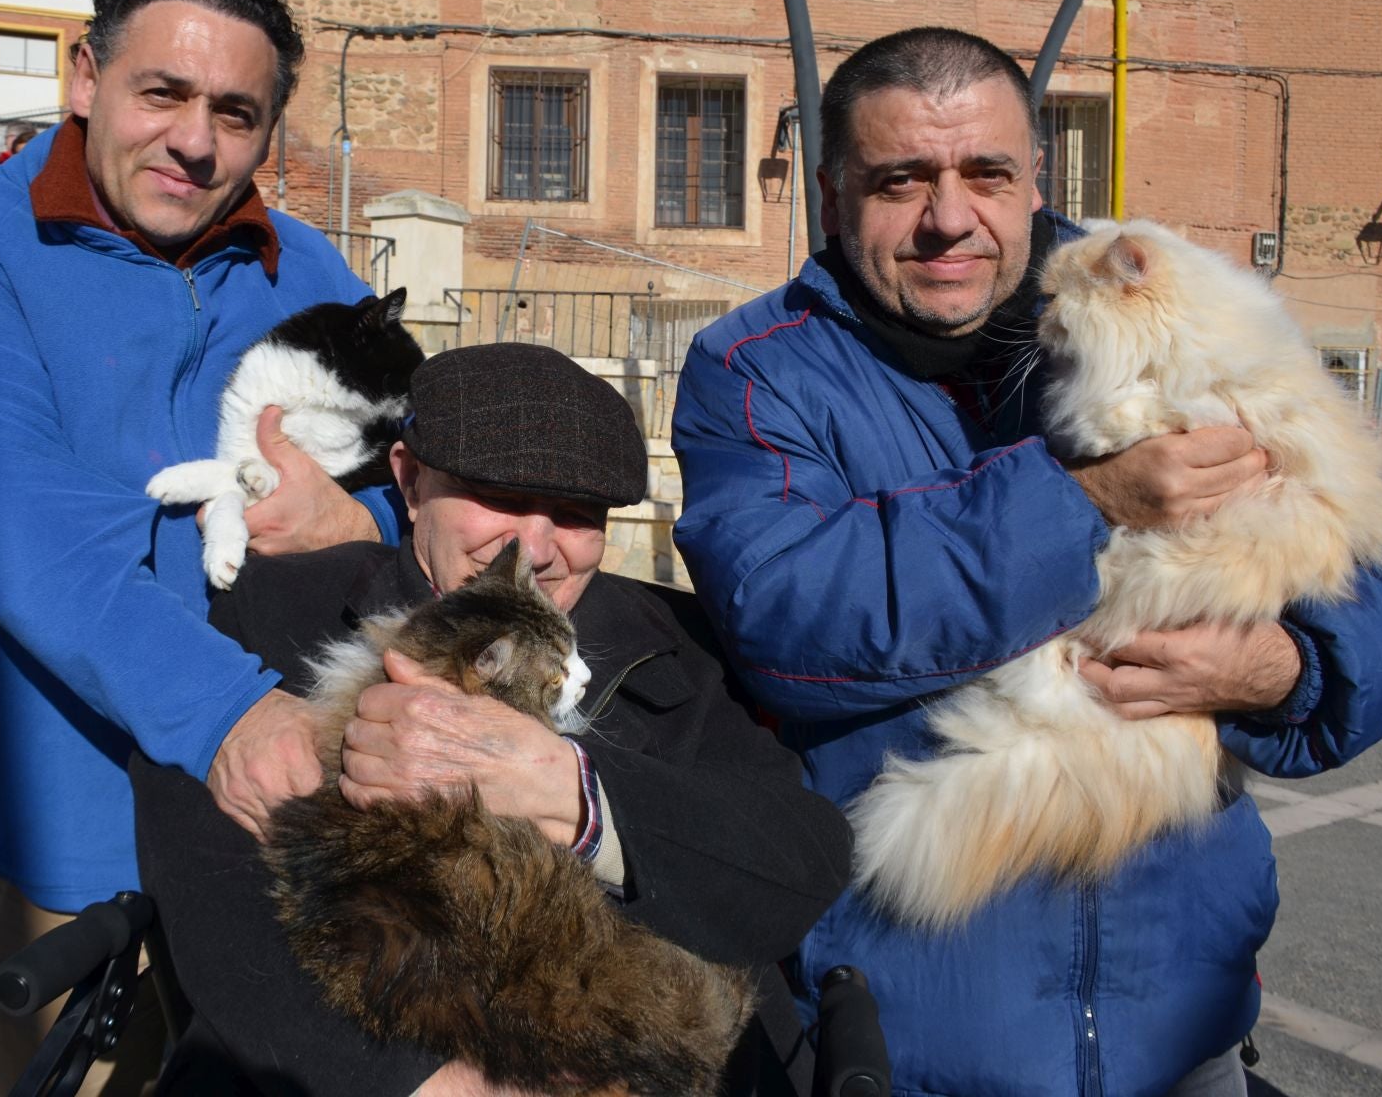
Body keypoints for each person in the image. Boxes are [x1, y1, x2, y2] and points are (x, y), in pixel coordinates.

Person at [670, 27, 1382, 1097]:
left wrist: (1282, 670)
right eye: (902, 180)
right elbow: (792, 618)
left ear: (1037, 177)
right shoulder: (755, 372)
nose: (950, 218)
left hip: (1185, 1025)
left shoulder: (1160, 300)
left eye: (986, 173)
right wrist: (1082, 501)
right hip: (913, 1040)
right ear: (832, 190)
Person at [0, 0, 416, 1097]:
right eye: (161, 92)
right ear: (85, 79)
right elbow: (27, 531)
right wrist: (226, 712)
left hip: (288, 814)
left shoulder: (309, 265)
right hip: (75, 811)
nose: (195, 142)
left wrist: (351, 519)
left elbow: (399, 481)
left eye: (235, 112)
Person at [131, 342, 852, 1096]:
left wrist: (582, 798)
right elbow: (209, 888)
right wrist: (429, 1083)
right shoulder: (277, 610)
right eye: (499, 498)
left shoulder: (673, 643)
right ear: (408, 482)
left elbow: (805, 861)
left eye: (576, 515)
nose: (533, 549)